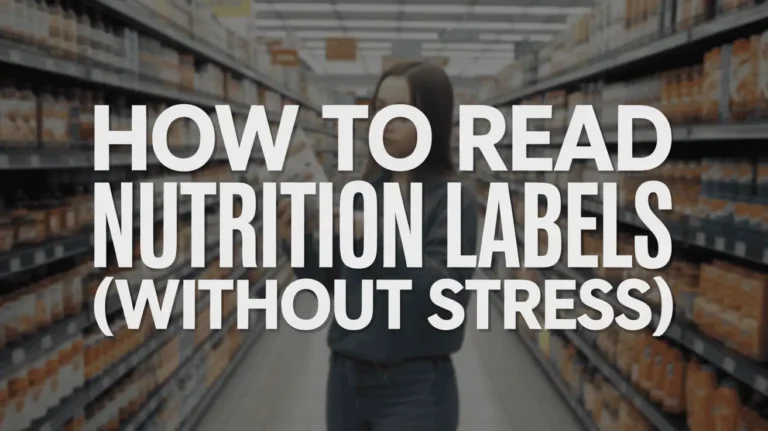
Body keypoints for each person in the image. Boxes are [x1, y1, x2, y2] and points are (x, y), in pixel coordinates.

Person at [277, 60, 479, 431]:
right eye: (378, 110)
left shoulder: (452, 199)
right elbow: (331, 282)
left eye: (400, 115)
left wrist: (374, 234)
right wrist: (295, 238)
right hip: (345, 379)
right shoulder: (363, 191)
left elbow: (444, 296)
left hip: (412, 389)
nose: (382, 124)